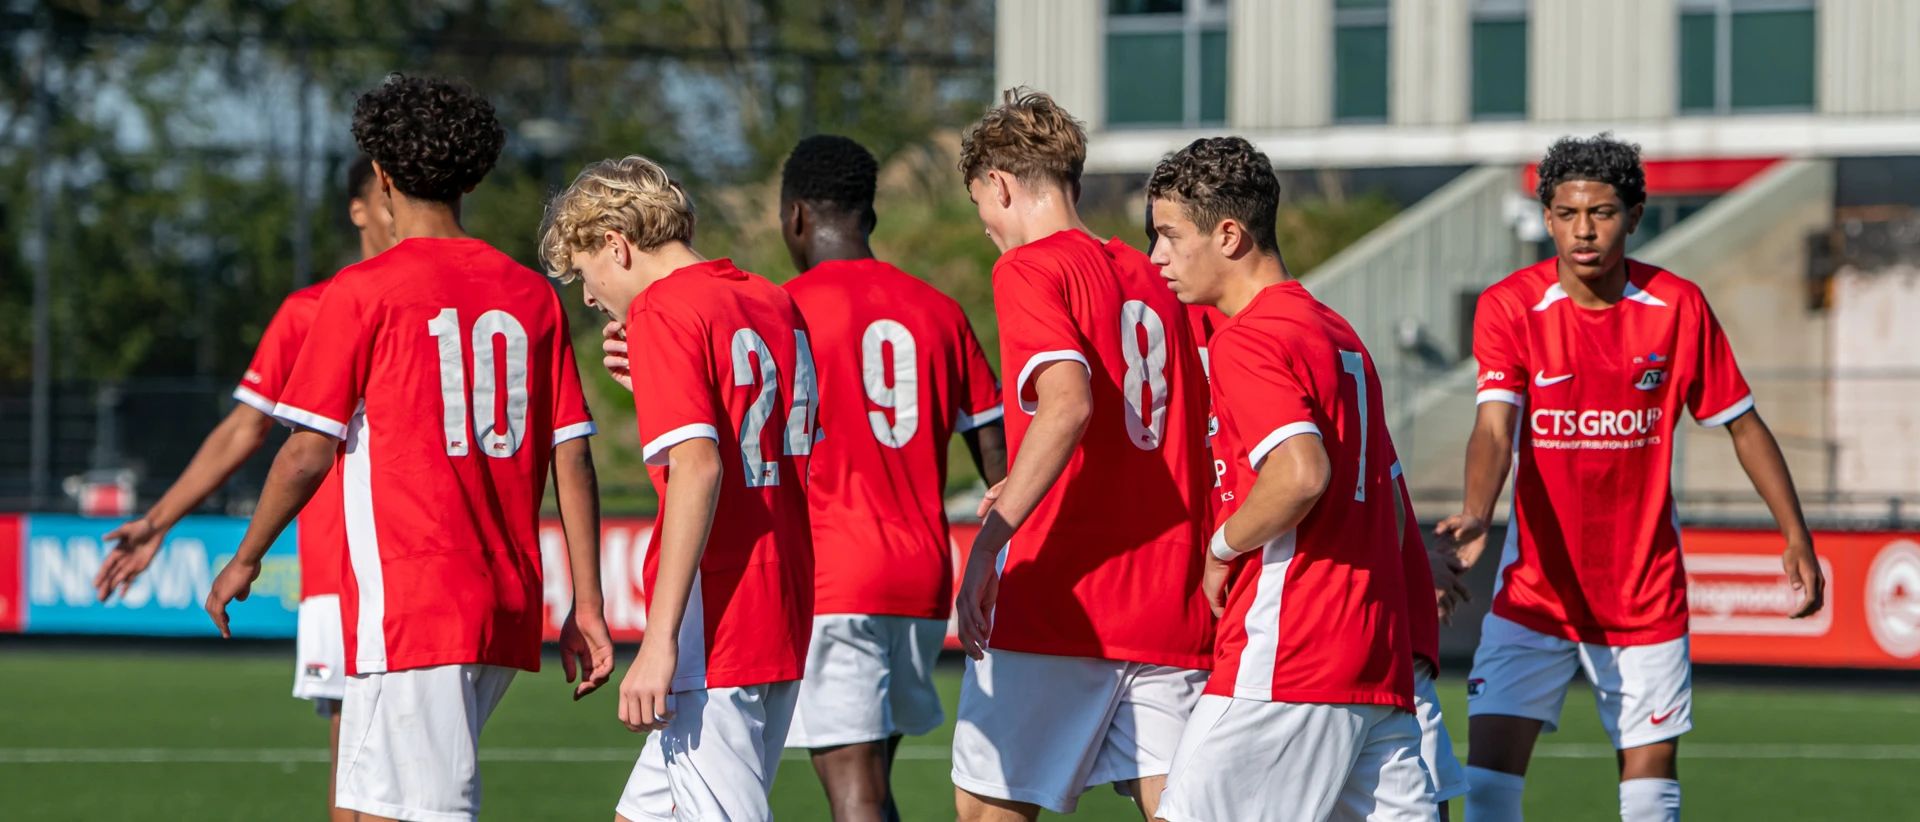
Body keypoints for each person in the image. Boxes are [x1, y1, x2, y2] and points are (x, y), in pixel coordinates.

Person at [203, 73, 615, 822]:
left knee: (422, 810)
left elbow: (305, 452)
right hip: (504, 600)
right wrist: (587, 601)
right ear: (473, 177)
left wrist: (247, 557)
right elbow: (574, 457)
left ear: (384, 177)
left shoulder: (363, 291)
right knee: (365, 809)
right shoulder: (530, 294)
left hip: (415, 602)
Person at [1434, 134, 1826, 822]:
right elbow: (1495, 427)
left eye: (1603, 212)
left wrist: (1795, 534)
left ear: (1635, 215)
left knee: (1648, 804)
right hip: (1535, 596)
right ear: (1547, 218)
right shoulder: (1509, 307)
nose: (1584, 230)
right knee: (1489, 791)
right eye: (1567, 213)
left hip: (1644, 596)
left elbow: (1743, 424)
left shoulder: (1678, 307)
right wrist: (1475, 511)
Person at [92, 153, 394, 821]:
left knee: (421, 778)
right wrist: (160, 520)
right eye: (387, 193)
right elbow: (245, 430)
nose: (401, 208)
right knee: (362, 767)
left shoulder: (448, 299)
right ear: (360, 208)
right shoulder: (311, 311)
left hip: (431, 569)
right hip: (344, 574)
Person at [1145, 135, 1434, 822]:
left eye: (1168, 235)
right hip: (1371, 659)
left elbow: (1301, 474)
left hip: (1289, 657)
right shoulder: (1337, 333)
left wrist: (1221, 549)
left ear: (1228, 234)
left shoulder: (1250, 337)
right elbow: (1390, 511)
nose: (1157, 257)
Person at [949, 88, 1214, 822]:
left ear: (999, 185)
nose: (987, 229)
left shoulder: (1029, 269)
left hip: (1059, 598)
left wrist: (989, 541)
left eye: (982, 207)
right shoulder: (1161, 277)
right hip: (1171, 598)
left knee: (987, 813)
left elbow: (1067, 404)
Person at [540, 154, 818, 822]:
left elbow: (700, 466)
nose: (588, 295)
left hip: (716, 609)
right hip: (784, 591)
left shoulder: (662, 310)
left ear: (617, 245)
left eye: (585, 273)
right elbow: (764, 433)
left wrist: (659, 642)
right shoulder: (770, 297)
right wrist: (657, 386)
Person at [774, 134, 1009, 822]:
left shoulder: (779, 310)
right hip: (920, 578)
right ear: (868, 216)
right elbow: (998, 459)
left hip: (832, 577)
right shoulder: (939, 311)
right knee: (875, 784)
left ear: (795, 217)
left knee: (856, 795)